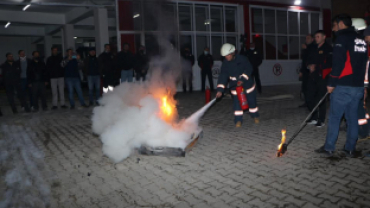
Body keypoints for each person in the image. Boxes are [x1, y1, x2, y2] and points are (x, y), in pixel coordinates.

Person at [316, 14, 368, 157]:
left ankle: (329, 147)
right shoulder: (361, 41)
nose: (333, 29)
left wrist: (331, 82)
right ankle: (350, 148)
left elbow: (338, 63)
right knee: (352, 119)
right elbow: (364, 64)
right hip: (357, 86)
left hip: (343, 85)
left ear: (340, 24)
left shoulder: (342, 39)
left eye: (334, 25)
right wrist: (363, 86)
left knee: (335, 118)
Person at [216, 43, 260, 127]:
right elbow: (223, 76)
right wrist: (220, 90)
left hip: (248, 85)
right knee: (237, 104)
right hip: (235, 87)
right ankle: (238, 120)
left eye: (228, 55)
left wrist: (242, 79)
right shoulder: (225, 63)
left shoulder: (242, 59)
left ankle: (255, 116)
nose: (226, 57)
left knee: (252, 103)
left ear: (233, 53)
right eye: (225, 56)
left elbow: (249, 69)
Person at [305, 30, 332, 128]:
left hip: (322, 77)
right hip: (312, 76)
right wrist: (309, 66)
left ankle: (321, 120)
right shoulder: (313, 48)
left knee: (321, 98)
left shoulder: (328, 48)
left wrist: (316, 66)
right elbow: (307, 60)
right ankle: (314, 117)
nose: (316, 38)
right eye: (315, 37)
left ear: (324, 37)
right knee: (309, 97)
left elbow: (329, 63)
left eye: (318, 36)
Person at [299, 34, 316, 108]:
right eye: (306, 38)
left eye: (308, 38)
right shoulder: (307, 48)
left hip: (310, 71)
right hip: (306, 70)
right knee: (304, 87)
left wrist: (306, 49)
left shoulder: (313, 47)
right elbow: (304, 61)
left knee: (309, 87)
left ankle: (310, 102)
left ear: (312, 39)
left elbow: (310, 58)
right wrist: (301, 71)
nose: (306, 40)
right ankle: (306, 102)